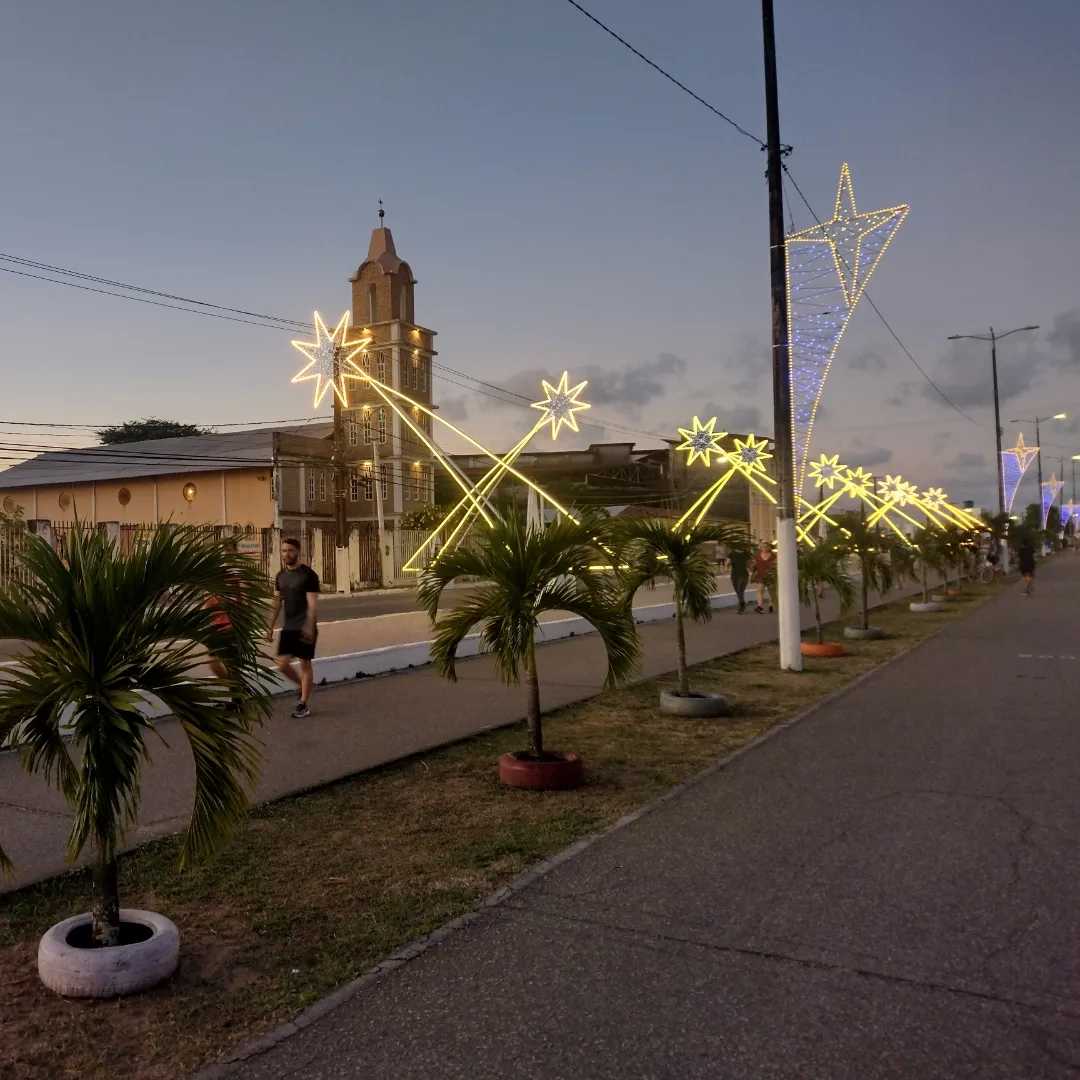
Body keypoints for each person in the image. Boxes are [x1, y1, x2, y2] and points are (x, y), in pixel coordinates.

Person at [268, 537, 320, 717]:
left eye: (290, 550)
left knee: (305, 664)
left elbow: (312, 604)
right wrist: (270, 626)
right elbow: (277, 602)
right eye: (284, 551)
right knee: (282, 664)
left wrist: (309, 626)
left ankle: (303, 704)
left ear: (297, 552)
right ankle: (302, 686)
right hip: (289, 627)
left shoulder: (308, 575)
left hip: (305, 626)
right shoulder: (280, 576)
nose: (286, 554)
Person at [751, 540, 776, 614]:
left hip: (770, 576)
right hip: (760, 575)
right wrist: (752, 567)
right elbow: (754, 564)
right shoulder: (757, 555)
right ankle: (760, 606)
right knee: (760, 590)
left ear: (769, 547)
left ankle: (771, 605)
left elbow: (776, 564)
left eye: (766, 546)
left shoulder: (773, 555)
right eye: (762, 546)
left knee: (771, 592)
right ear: (760, 547)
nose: (764, 548)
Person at [727, 540, 751, 614]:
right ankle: (742, 604)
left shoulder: (746, 553)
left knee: (740, 590)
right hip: (734, 575)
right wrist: (727, 566)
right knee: (738, 591)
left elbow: (749, 564)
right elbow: (728, 562)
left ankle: (742, 605)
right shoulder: (732, 553)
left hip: (743, 574)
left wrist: (751, 569)